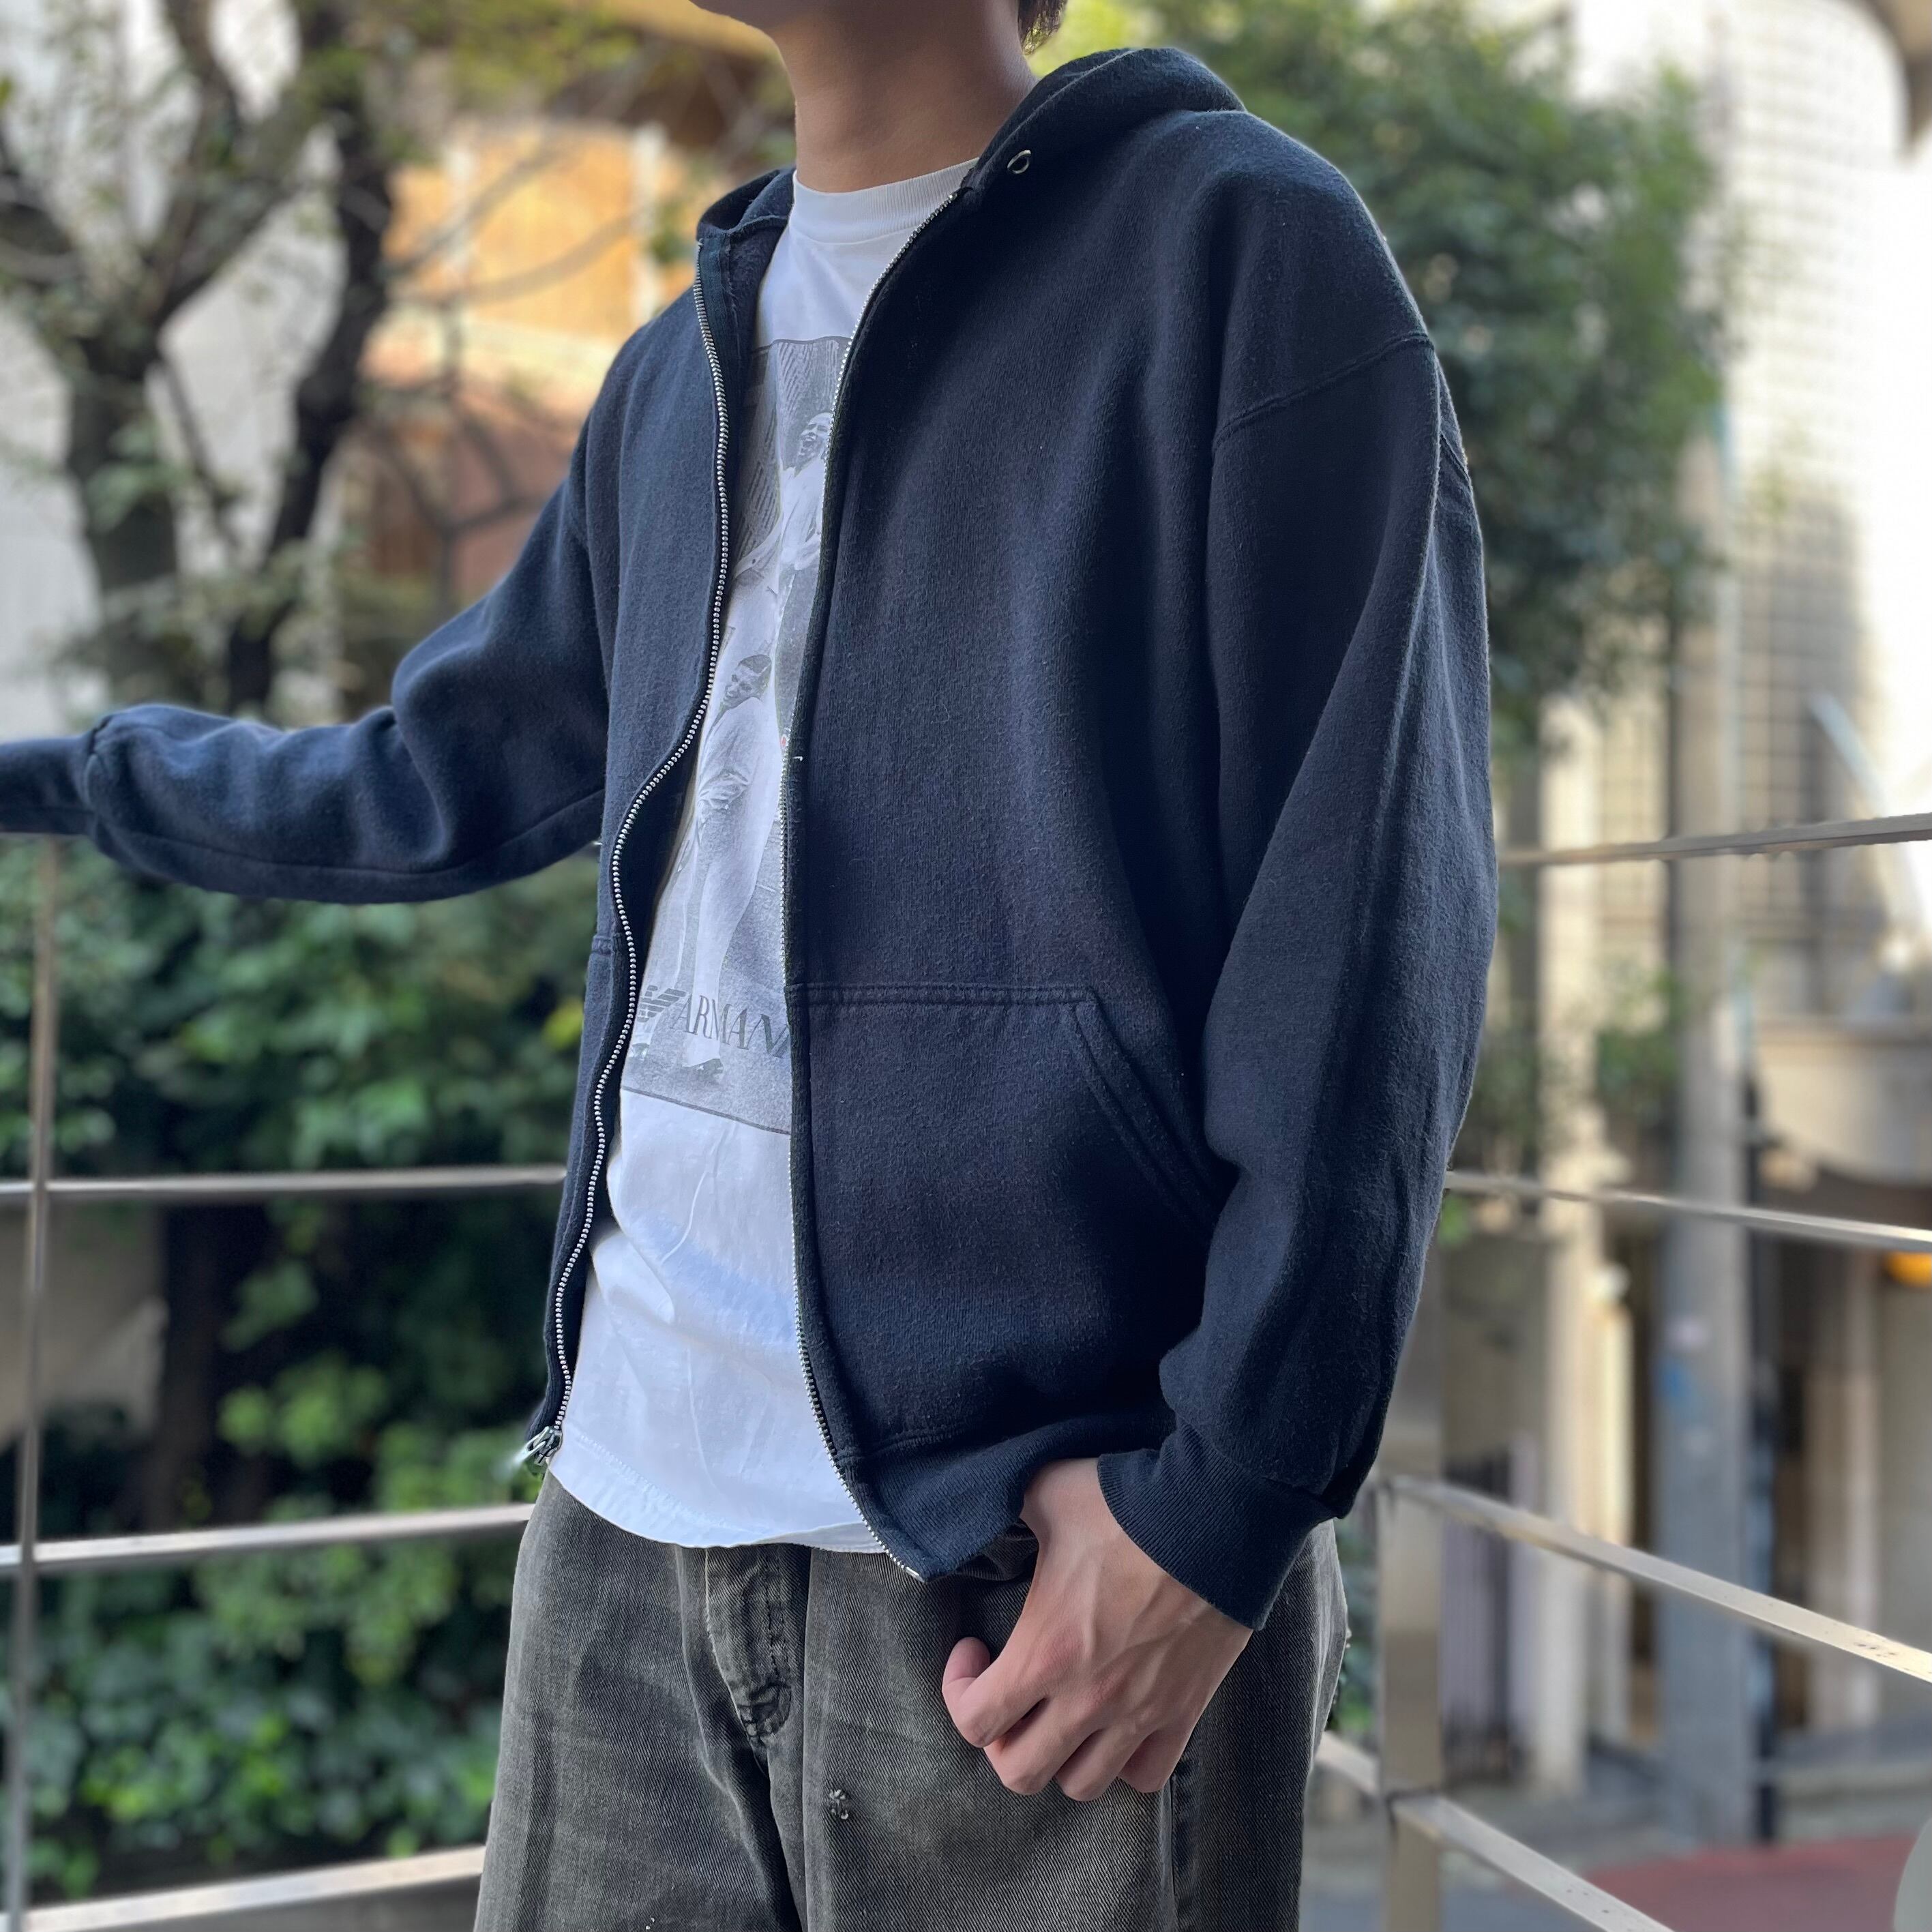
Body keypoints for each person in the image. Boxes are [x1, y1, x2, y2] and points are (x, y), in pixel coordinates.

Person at [0, 0, 1498, 1923]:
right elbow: (435, 776)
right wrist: (58, 778)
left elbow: (1369, 928)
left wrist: (1219, 1510)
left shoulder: (1237, 250)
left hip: (1029, 1554)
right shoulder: (674, 370)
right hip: (623, 1522)